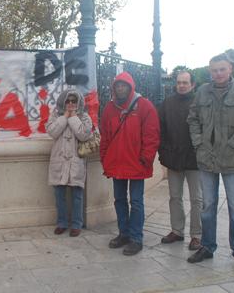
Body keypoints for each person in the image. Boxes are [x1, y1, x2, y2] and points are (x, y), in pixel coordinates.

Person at [187, 54, 234, 276]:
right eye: (214, 70)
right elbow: (193, 119)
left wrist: (233, 144)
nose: (217, 73)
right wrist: (199, 143)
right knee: (207, 206)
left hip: (232, 159)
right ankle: (207, 247)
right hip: (206, 159)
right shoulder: (202, 92)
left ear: (230, 69)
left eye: (222, 69)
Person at [99, 72, 160, 255]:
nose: (120, 89)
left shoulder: (144, 106)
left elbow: (152, 136)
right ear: (114, 88)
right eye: (118, 86)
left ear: (130, 87)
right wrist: (104, 158)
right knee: (119, 200)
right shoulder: (110, 108)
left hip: (136, 164)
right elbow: (105, 136)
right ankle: (123, 233)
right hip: (117, 162)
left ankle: (136, 238)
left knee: (136, 202)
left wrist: (146, 159)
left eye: (124, 86)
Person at [158, 70, 202, 251]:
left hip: (195, 159)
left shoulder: (200, 103)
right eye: (179, 82)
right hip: (174, 157)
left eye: (185, 82)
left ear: (192, 85)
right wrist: (164, 151)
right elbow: (160, 129)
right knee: (175, 197)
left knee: (197, 199)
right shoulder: (167, 104)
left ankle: (197, 235)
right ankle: (177, 230)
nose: (182, 85)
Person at [46, 88, 93, 237]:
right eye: (68, 101)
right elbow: (52, 132)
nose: (71, 103)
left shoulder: (84, 117)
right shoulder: (55, 115)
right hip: (59, 161)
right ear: (63, 102)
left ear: (78, 102)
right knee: (59, 195)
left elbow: (84, 135)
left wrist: (73, 117)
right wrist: (65, 116)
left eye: (74, 101)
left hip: (75, 162)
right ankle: (61, 223)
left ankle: (76, 224)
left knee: (77, 195)